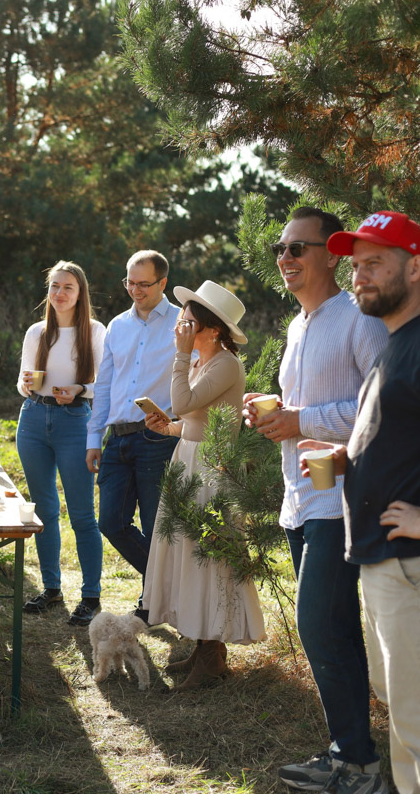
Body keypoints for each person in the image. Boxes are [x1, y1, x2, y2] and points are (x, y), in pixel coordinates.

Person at [299, 211, 420, 794]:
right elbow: (406, 438)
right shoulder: (397, 341)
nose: (359, 276)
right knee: (405, 714)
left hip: (419, 560)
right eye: (355, 265)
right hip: (387, 560)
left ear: (415, 267)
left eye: (375, 263)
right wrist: (345, 462)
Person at [243, 208, 389, 791]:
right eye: (280, 248)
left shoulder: (360, 320)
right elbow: (304, 402)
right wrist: (273, 404)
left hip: (344, 500)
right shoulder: (297, 326)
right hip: (299, 498)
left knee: (318, 626)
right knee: (335, 629)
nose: (285, 259)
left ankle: (359, 763)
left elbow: (382, 408)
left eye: (298, 248)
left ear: (332, 253)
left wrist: (303, 418)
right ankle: (352, 757)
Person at [141, 280, 264, 690]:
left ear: (212, 329)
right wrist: (170, 428)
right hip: (192, 459)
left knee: (207, 557)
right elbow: (192, 421)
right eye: (182, 318)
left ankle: (213, 655)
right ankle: (203, 647)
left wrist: (179, 357)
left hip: (213, 469)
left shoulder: (225, 363)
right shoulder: (202, 360)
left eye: (189, 320)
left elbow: (182, 402)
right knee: (188, 553)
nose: (181, 326)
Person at [85, 250, 180, 620]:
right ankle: (166, 589)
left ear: (162, 283)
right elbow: (104, 385)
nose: (135, 290)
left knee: (157, 526)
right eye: (129, 282)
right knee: (111, 522)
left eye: (143, 284)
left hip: (159, 437)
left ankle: (152, 599)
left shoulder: (181, 323)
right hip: (117, 438)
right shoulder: (117, 326)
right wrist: (95, 438)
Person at [16, 262, 107, 625]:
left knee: (82, 514)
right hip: (33, 420)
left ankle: (91, 596)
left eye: (67, 287)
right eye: (54, 286)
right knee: (44, 511)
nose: (59, 294)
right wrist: (24, 384)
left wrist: (80, 390)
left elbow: (106, 386)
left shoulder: (96, 332)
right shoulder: (37, 332)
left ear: (80, 292)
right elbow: (23, 383)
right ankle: (52, 589)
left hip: (75, 422)